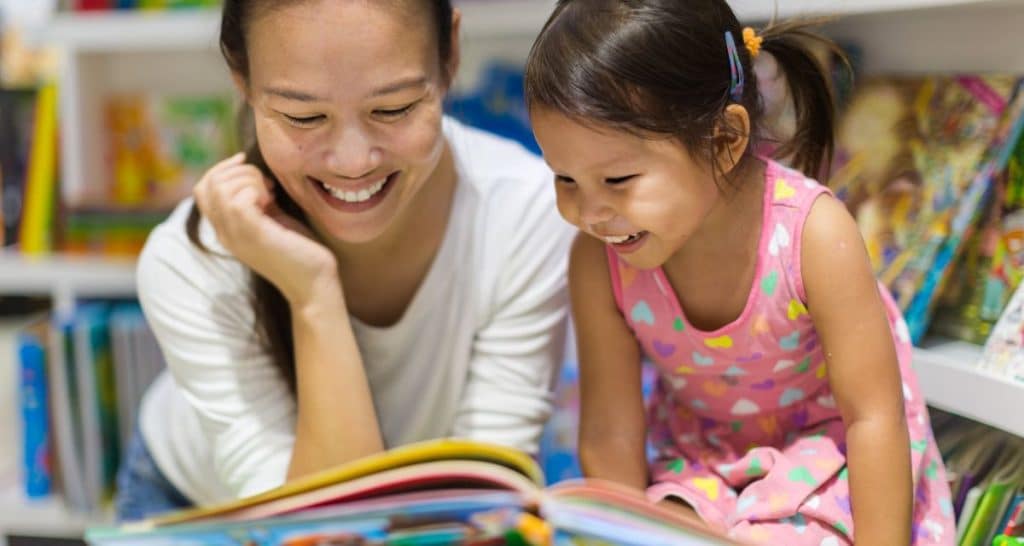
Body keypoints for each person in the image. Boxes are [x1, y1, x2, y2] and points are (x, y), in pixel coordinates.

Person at [115, 0, 573, 522]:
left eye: (394, 108)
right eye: (304, 117)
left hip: (421, 517)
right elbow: (322, 532)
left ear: (451, 54)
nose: (354, 161)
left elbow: (483, 497)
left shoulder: (525, 213)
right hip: (198, 503)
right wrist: (312, 295)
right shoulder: (191, 261)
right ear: (241, 78)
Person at [523, 1, 956, 544]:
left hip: (832, 455)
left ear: (725, 140)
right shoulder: (596, 258)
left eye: (618, 180)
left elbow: (874, 420)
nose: (589, 213)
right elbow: (611, 434)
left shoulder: (814, 236)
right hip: (701, 463)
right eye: (565, 179)